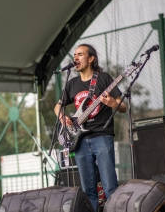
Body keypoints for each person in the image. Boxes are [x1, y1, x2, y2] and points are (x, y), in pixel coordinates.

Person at [54, 43, 127, 211]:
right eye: (74, 56)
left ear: (91, 58)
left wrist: (111, 103)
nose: (76, 58)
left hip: (102, 136)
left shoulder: (103, 79)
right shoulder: (72, 83)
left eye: (80, 54)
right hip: (80, 140)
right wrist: (62, 117)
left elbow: (123, 107)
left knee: (109, 185)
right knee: (88, 190)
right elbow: (58, 106)